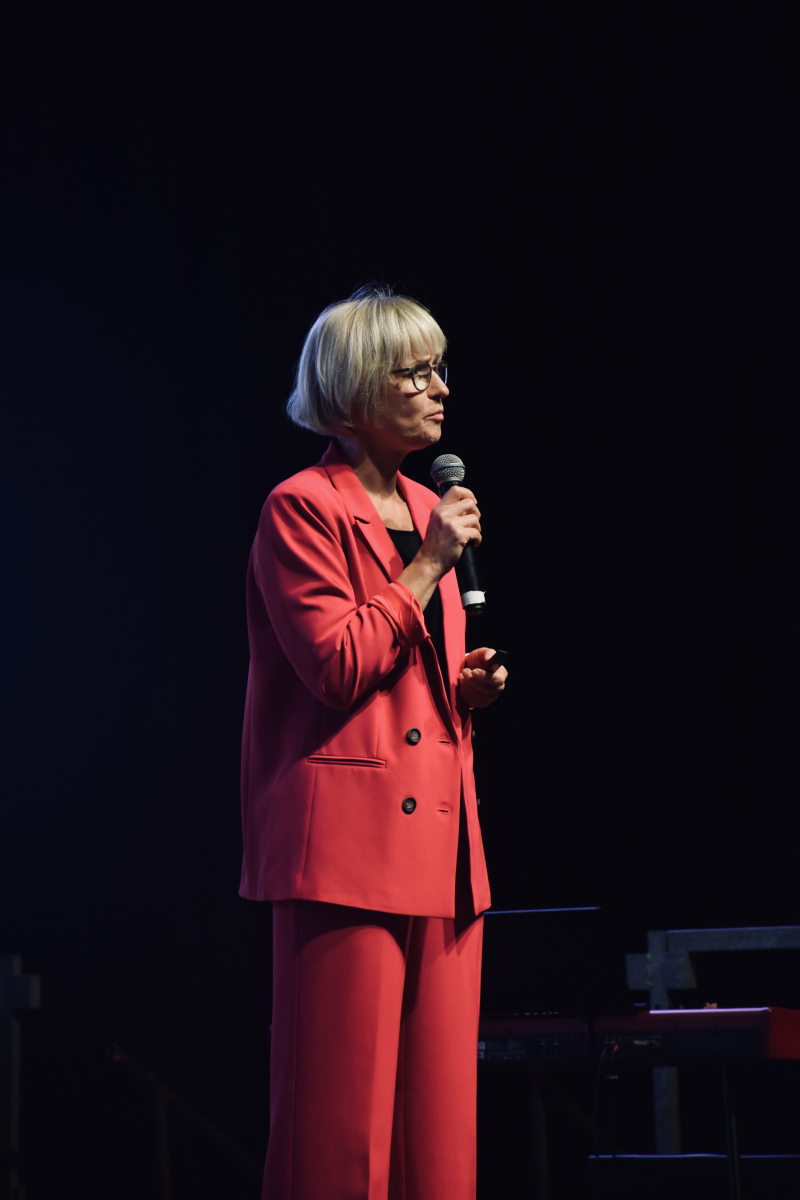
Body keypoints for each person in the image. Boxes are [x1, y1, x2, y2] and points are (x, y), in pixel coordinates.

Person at [240, 284, 508, 1200]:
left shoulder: (427, 505)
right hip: (348, 851)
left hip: (444, 850)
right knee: (337, 1135)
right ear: (355, 390)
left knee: (440, 1141)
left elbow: (406, 675)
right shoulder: (301, 508)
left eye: (441, 369)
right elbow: (336, 666)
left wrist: (467, 686)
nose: (440, 389)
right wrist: (429, 562)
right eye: (415, 373)